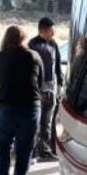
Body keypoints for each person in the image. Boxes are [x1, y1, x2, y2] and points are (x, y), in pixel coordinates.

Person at [0, 25, 43, 175]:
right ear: (24, 38)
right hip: (29, 106)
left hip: (6, 105)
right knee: (24, 146)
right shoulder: (33, 55)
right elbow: (41, 82)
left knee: (3, 143)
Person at [28, 17, 63, 161]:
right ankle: (34, 151)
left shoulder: (53, 44)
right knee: (35, 121)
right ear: (44, 29)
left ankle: (46, 150)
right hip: (37, 88)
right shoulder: (32, 44)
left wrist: (60, 84)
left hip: (52, 86)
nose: (54, 32)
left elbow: (58, 65)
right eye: (52, 29)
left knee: (48, 121)